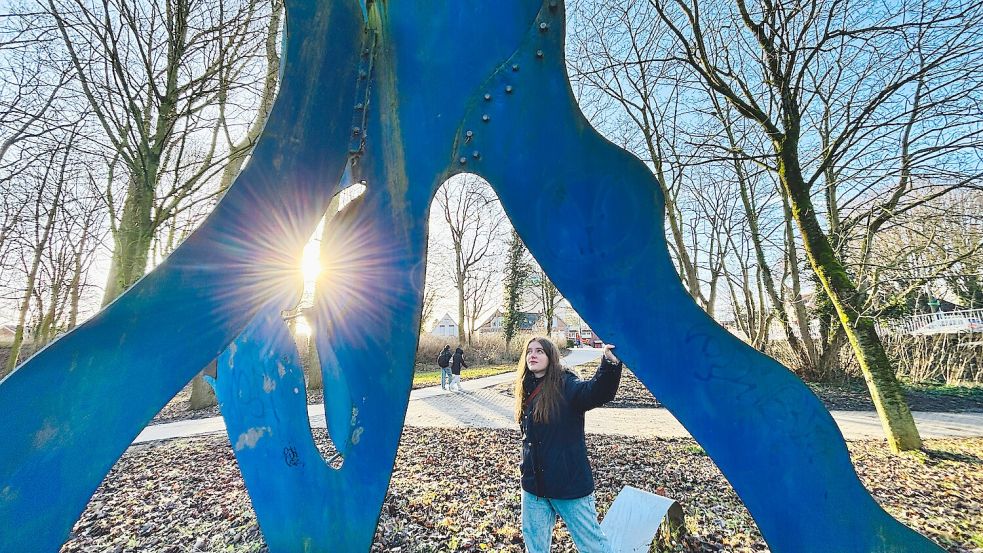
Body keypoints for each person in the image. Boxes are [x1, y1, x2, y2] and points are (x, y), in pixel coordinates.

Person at [514, 335, 622, 553]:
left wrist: (609, 364)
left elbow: (596, 392)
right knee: (535, 547)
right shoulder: (526, 388)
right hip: (534, 486)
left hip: (568, 484)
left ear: (551, 356)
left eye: (539, 351)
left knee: (592, 545)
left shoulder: (566, 385)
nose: (532, 355)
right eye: (529, 351)